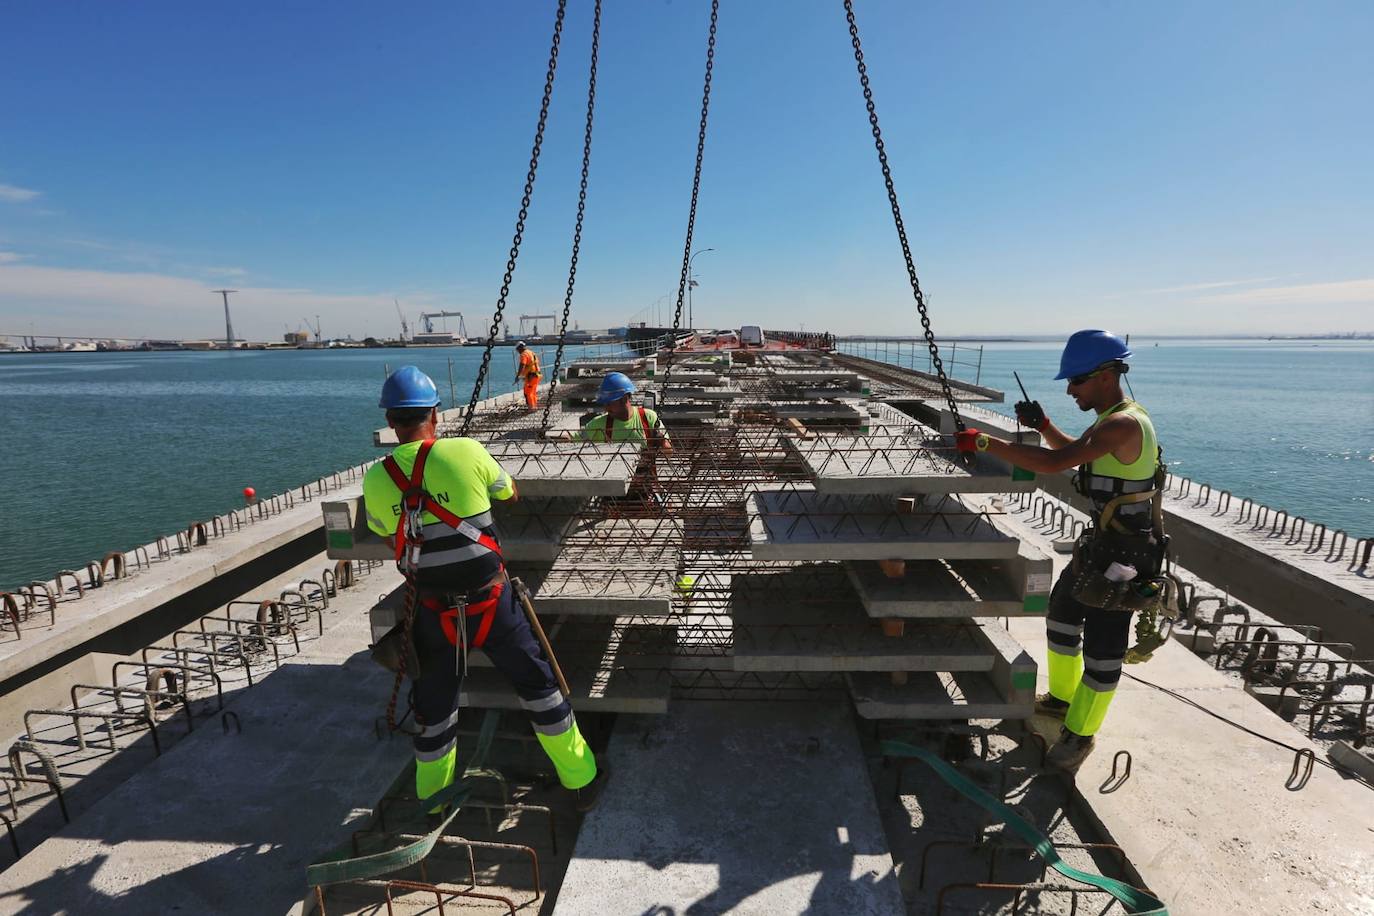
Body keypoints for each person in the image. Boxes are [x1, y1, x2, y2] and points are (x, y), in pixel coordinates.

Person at [363, 366, 605, 813]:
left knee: (433, 710)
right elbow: (508, 493)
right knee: (540, 687)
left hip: (432, 613)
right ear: (435, 413)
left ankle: (432, 803)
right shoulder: (468, 451)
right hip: (492, 602)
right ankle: (581, 778)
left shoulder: (376, 480)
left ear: (391, 421)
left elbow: (388, 537)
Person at [954, 331, 1165, 773]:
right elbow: (1073, 452)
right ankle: (1061, 701)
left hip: (1125, 558)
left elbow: (1054, 465)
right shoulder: (1111, 418)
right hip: (1101, 546)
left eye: (1077, 381)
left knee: (1104, 650)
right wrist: (1043, 426)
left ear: (1106, 375)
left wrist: (984, 442)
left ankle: (1080, 734)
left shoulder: (1122, 424)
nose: (1070, 389)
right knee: (1062, 620)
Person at [577, 372, 671, 509]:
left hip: (646, 488)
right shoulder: (598, 424)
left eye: (609, 403)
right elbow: (574, 440)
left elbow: (669, 452)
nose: (606, 408)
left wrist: (661, 440)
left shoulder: (647, 418)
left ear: (624, 399)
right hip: (613, 492)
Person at [514, 342, 541, 411]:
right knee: (532, 392)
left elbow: (522, 365)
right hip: (536, 375)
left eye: (518, 349)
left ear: (520, 347)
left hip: (531, 376)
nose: (518, 351)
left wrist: (518, 375)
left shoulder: (524, 354)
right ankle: (534, 406)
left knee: (528, 393)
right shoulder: (531, 352)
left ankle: (531, 408)